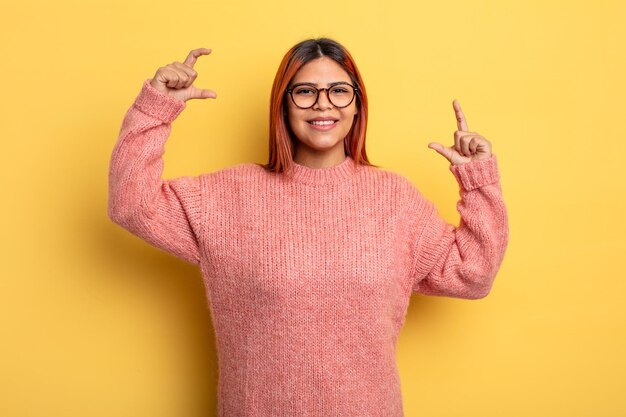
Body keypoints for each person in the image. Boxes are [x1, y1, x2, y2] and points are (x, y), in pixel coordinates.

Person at [108, 38, 509, 416]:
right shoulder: (226, 197)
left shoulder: (396, 200)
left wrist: (478, 180)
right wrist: (155, 110)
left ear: (357, 105)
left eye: (339, 90)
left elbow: (472, 275)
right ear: (283, 105)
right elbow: (132, 204)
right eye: (305, 92)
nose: (323, 105)